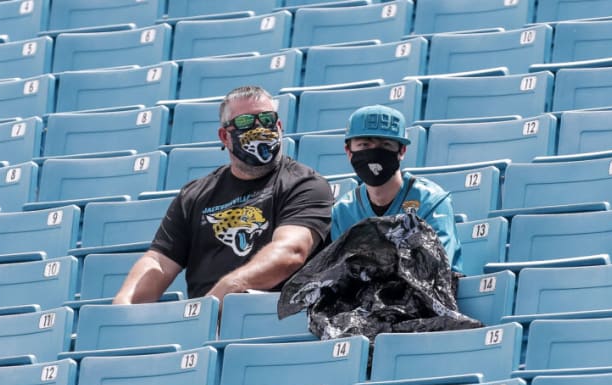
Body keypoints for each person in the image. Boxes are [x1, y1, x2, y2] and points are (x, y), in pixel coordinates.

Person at [113, 86, 334, 304]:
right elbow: (159, 262)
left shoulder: (305, 184)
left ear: (279, 126)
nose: (259, 129)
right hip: (202, 324)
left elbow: (290, 252)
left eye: (267, 120)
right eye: (245, 122)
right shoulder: (194, 195)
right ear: (224, 137)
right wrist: (124, 306)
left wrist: (227, 290)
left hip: (269, 317)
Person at [331, 104, 462, 271]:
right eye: (364, 145)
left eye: (385, 145)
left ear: (402, 151)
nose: (375, 153)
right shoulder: (343, 212)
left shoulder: (431, 201)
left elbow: (438, 266)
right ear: (348, 152)